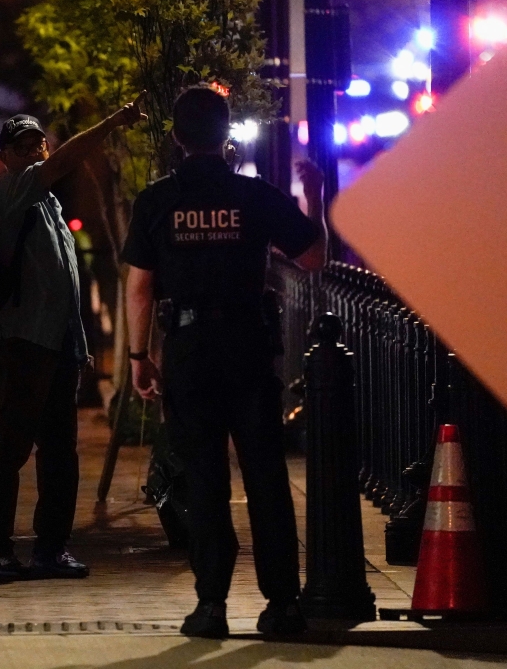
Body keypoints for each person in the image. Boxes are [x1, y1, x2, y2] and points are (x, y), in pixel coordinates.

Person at [121, 85, 327, 638]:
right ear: (226, 131)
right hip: (248, 345)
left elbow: (139, 288)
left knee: (205, 479)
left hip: (188, 350)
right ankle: (283, 604)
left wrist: (140, 356)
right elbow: (311, 257)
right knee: (265, 474)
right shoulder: (254, 196)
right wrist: (316, 199)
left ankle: (211, 604)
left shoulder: (156, 201)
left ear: (176, 137)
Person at [0, 97, 148, 583]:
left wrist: (78, 346)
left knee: (59, 452)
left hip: (57, 347)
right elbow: (66, 161)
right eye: (22, 146)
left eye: (39, 143)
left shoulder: (48, 203)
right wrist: (113, 121)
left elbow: (63, 280)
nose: (35, 152)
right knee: (10, 448)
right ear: (5, 157)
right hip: (22, 342)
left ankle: (51, 549)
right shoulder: (11, 191)